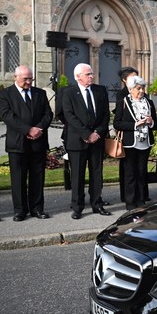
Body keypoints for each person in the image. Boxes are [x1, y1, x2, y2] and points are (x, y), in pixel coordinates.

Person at [0, 66, 53, 220]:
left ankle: (37, 209)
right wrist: (28, 130)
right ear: (15, 77)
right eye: (25, 79)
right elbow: (8, 116)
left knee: (37, 177)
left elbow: (48, 114)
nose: (28, 82)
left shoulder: (40, 93)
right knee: (18, 178)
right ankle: (20, 210)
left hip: (38, 143)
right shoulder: (4, 94)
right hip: (18, 143)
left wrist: (39, 128)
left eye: (30, 78)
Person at [62, 63, 111, 219]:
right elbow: (69, 116)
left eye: (92, 73)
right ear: (78, 77)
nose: (92, 76)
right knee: (77, 176)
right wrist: (86, 134)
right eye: (88, 74)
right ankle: (78, 207)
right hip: (77, 141)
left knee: (97, 174)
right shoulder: (68, 92)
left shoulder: (100, 90)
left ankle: (97, 203)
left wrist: (97, 132)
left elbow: (105, 114)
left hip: (97, 139)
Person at [114, 76, 157, 210]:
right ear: (131, 89)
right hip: (130, 143)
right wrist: (135, 124)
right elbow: (117, 123)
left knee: (141, 172)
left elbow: (155, 125)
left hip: (145, 142)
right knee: (130, 173)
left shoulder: (149, 102)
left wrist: (151, 122)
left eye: (143, 88)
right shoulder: (123, 102)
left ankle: (141, 200)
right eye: (138, 88)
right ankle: (130, 202)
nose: (141, 91)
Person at [115, 66, 139, 204]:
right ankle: (127, 195)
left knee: (139, 168)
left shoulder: (141, 91)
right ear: (124, 80)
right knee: (127, 168)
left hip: (141, 138)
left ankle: (140, 194)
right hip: (128, 135)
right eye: (132, 77)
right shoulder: (122, 95)